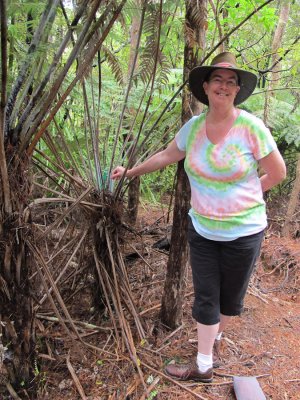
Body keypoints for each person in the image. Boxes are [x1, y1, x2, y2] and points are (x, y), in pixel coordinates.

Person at [111, 52, 286, 382]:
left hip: (245, 232)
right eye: (217, 80)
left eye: (230, 81)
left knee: (230, 300)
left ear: (237, 90)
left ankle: (214, 340)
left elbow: (278, 172)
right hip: (203, 229)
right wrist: (131, 171)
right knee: (206, 295)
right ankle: (203, 364)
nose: (223, 86)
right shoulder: (193, 129)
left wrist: (243, 198)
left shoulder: (251, 128)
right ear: (205, 87)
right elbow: (166, 154)